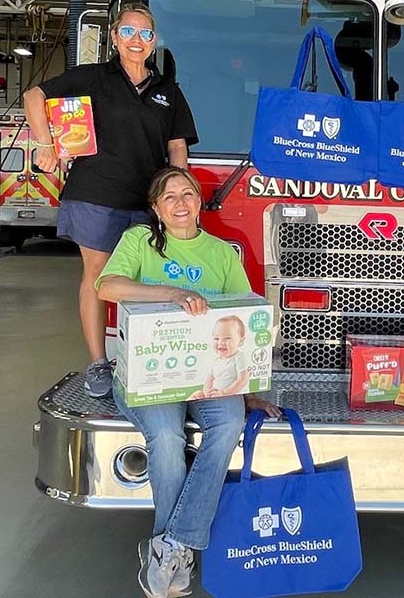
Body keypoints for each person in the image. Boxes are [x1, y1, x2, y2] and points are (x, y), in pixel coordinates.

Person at [97, 166, 280, 598]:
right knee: (165, 434)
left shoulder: (220, 253)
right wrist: (172, 293)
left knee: (229, 422)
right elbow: (108, 286)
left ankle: (170, 545)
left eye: (188, 194)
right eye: (169, 197)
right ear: (156, 210)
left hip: (209, 377)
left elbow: (245, 312)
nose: (181, 203)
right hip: (147, 377)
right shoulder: (138, 242)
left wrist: (251, 390)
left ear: (199, 202)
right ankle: (174, 550)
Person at [24, 3, 198, 397]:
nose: (137, 41)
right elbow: (34, 95)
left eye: (146, 34)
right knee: (100, 280)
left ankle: (144, 357)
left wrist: (180, 193)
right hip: (96, 196)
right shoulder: (92, 78)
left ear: (154, 43)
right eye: (129, 32)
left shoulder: (168, 91)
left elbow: (177, 148)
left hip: (149, 202)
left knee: (149, 281)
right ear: (115, 38)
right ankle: (100, 363)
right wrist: (44, 143)